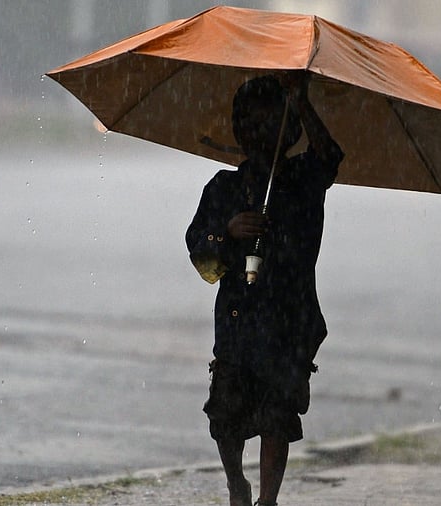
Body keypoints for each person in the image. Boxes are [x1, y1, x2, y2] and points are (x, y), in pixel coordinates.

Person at [185, 73, 343, 506]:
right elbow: (202, 257)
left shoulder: (305, 180)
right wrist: (227, 231)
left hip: (290, 317)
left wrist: (304, 103)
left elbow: (330, 156)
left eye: (273, 123)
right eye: (252, 123)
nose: (262, 133)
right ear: (239, 129)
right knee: (227, 415)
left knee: (278, 414)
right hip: (239, 319)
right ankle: (237, 481)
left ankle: (268, 499)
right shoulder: (223, 189)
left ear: (289, 130)